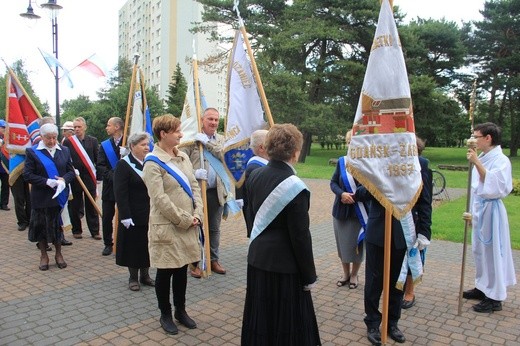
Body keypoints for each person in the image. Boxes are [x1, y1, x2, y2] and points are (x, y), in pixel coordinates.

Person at [241, 123, 321, 345]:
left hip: (258, 259)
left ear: (267, 148)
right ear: (296, 153)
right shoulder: (296, 187)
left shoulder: (254, 175)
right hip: (285, 268)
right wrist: (309, 276)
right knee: (287, 326)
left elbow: (250, 214)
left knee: (261, 319)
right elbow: (300, 237)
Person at [143, 115, 202, 335]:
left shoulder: (183, 157)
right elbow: (159, 199)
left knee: (181, 270)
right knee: (166, 271)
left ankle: (181, 310)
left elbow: (195, 187)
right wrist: (185, 219)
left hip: (188, 224)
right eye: (177, 131)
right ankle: (165, 314)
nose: (181, 134)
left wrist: (198, 213)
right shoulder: (152, 162)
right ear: (163, 134)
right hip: (168, 225)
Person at [463, 122, 516, 313]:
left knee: (492, 252)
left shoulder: (501, 160)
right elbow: (475, 188)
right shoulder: (485, 157)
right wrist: (470, 211)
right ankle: (482, 286)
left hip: (491, 211)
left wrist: (476, 162)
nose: (473, 140)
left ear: (488, 138)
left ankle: (495, 297)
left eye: (476, 137)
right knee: (479, 250)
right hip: (480, 210)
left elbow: (495, 187)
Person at [180, 107, 231, 277]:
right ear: (202, 120)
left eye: (216, 120)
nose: (214, 123)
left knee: (214, 229)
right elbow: (181, 162)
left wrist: (207, 143)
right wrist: (193, 174)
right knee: (196, 227)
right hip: (196, 192)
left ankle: (213, 260)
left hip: (215, 191)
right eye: (210, 119)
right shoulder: (191, 139)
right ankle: (195, 263)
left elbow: (224, 156)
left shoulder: (221, 139)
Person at [22, 123, 75, 270]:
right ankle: (44, 255)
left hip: (59, 197)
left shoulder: (64, 150)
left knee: (57, 226)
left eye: (54, 138)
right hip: (41, 196)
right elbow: (27, 175)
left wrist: (64, 180)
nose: (52, 141)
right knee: (41, 227)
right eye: (48, 138)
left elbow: (71, 172)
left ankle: (59, 254)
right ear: (42, 137)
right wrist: (47, 181)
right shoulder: (33, 152)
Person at [114, 132, 154, 291]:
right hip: (132, 214)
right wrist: (125, 215)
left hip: (149, 212)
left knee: (147, 245)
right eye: (143, 145)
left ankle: (145, 275)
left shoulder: (150, 162)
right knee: (133, 246)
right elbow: (120, 192)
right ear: (132, 146)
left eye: (147, 144)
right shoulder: (124, 165)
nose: (147, 147)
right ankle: (133, 277)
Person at [329, 130, 365, 289]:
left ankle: (355, 275)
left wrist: (355, 197)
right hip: (341, 211)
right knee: (343, 245)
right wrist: (341, 193)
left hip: (360, 211)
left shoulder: (367, 163)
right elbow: (333, 183)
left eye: (355, 143)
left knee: (357, 245)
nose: (351, 145)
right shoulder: (342, 162)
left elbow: (371, 187)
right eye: (350, 142)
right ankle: (345, 273)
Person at [401, 137, 432, 309]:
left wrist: (425, 231)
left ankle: (409, 292)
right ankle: (398, 288)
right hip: (398, 218)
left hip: (415, 219)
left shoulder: (423, 166)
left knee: (414, 255)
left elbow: (426, 201)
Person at [62, 117, 101, 240]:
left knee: (91, 205)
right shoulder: (69, 142)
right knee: (75, 205)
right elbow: (66, 159)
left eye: (79, 127)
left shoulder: (93, 141)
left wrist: (98, 176)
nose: (77, 129)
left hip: (89, 177)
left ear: (85, 127)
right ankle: (77, 230)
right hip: (75, 178)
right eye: (75, 127)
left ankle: (95, 231)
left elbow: (97, 159)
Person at [98, 117, 123, 256]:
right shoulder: (105, 145)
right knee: (107, 216)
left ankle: (122, 242)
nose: (107, 128)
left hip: (124, 187)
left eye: (109, 125)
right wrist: (112, 176)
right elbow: (100, 165)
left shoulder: (129, 142)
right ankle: (108, 243)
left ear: (117, 127)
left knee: (124, 214)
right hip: (109, 186)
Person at [241, 129, 269, 237]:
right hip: (259, 221)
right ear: (261, 148)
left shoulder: (260, 165)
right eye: (270, 142)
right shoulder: (255, 168)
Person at [0, 119, 10, 211]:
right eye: (3, 127)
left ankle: (4, 203)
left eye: (5, 127)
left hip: (4, 167)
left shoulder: (6, 138)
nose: (4, 129)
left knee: (5, 185)